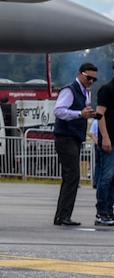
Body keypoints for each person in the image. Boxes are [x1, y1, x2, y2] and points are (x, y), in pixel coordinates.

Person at [52, 62, 98, 227]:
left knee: (69, 177)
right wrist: (79, 113)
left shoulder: (84, 91)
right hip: (66, 137)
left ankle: (61, 216)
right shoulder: (70, 90)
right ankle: (63, 216)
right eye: (89, 78)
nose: (91, 81)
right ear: (80, 74)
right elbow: (58, 110)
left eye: (94, 79)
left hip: (73, 137)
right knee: (73, 176)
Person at [96, 72, 114, 228]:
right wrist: (105, 137)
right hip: (110, 140)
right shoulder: (107, 89)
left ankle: (110, 210)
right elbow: (99, 115)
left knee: (113, 178)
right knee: (106, 176)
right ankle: (102, 212)